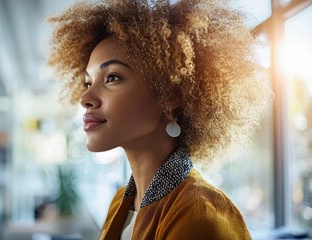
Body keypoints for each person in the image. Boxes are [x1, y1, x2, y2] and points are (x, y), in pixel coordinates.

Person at [47, 0, 271, 239]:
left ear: (169, 95)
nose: (85, 98)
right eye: (88, 82)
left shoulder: (202, 216)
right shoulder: (120, 203)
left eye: (112, 78)